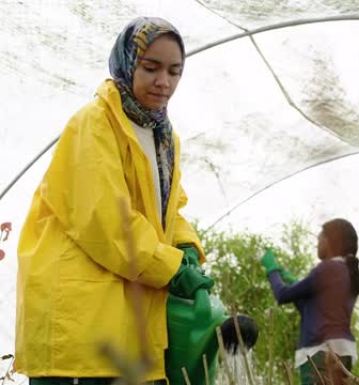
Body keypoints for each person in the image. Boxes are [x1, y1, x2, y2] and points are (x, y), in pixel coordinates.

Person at [15, 17, 213, 385]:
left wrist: (186, 246)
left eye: (175, 71)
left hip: (123, 311)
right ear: (126, 62)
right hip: (79, 315)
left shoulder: (164, 137)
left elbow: (170, 208)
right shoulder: (94, 123)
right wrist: (170, 268)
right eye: (150, 67)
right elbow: (105, 218)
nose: (163, 82)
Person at [259, 218, 359, 385]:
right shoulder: (347, 272)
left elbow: (282, 295)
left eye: (320, 238)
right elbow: (311, 312)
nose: (317, 244)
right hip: (344, 351)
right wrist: (295, 283)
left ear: (331, 242)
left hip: (319, 352)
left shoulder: (326, 269)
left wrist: (272, 271)